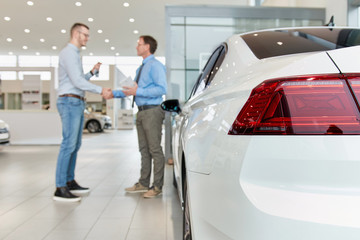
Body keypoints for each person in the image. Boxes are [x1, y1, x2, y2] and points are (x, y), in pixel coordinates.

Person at [54, 23, 112, 202]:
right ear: (75, 33)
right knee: (68, 144)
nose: (87, 38)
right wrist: (101, 90)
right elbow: (77, 82)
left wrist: (92, 73)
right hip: (69, 101)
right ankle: (60, 187)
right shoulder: (68, 53)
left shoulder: (76, 55)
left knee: (75, 144)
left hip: (76, 101)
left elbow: (77, 80)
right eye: (85, 35)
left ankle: (69, 181)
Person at [108, 35, 167, 198]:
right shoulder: (140, 68)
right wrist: (112, 93)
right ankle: (143, 183)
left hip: (152, 111)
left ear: (147, 47)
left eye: (139, 44)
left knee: (154, 149)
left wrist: (138, 91)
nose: (136, 47)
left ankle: (157, 187)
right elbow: (131, 90)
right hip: (141, 111)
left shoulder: (155, 66)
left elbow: (162, 89)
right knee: (144, 150)